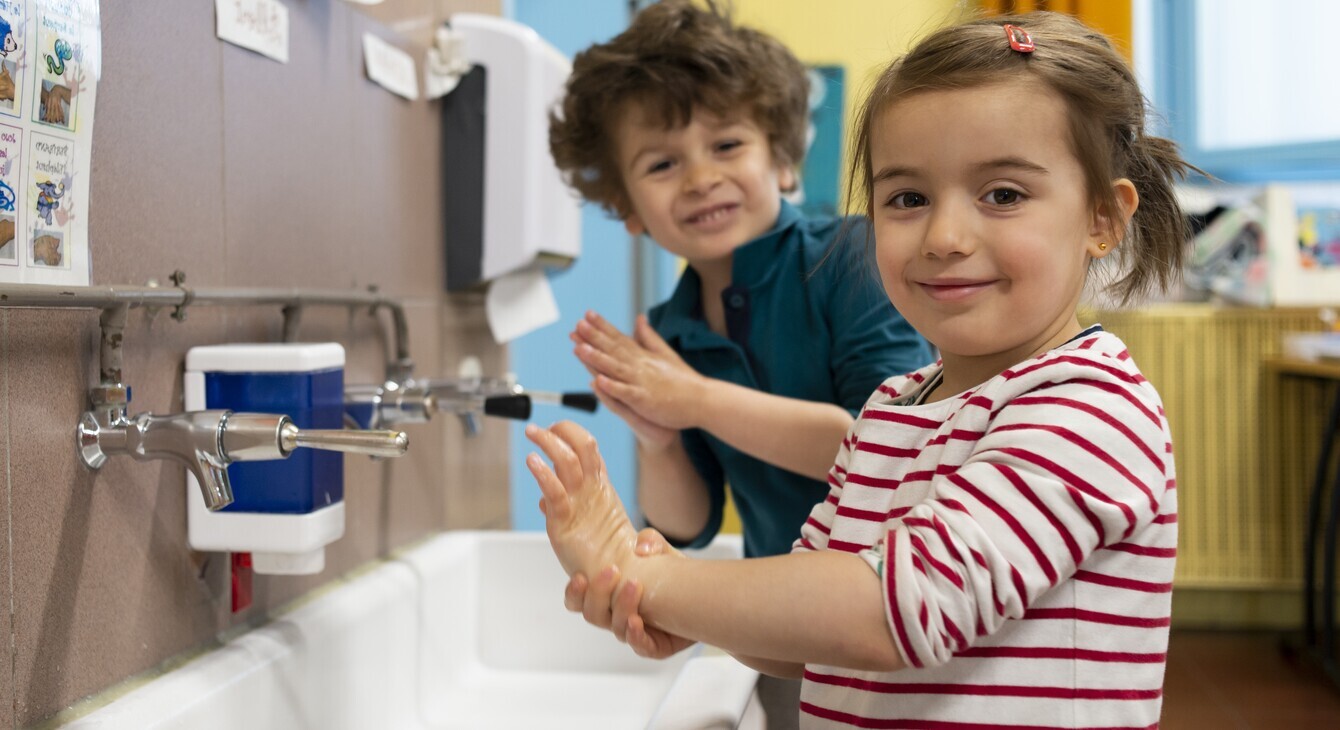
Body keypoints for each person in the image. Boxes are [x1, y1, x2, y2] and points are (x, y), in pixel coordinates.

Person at [527, 10, 1188, 729]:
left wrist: (662, 582)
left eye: (1003, 194)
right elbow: (808, 643)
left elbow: (893, 608)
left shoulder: (1087, 407)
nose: (944, 237)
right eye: (908, 199)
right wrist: (675, 605)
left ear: (1101, 218)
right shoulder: (893, 409)